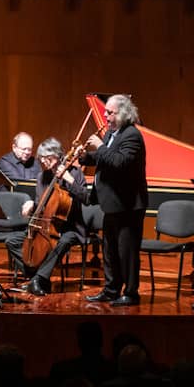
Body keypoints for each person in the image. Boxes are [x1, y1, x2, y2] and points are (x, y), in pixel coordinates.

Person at [80, 94, 148, 307]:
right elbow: (106, 157)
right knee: (109, 251)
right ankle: (111, 289)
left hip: (128, 205)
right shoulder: (112, 133)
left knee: (126, 252)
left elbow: (119, 162)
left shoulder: (132, 136)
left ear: (124, 114)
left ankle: (130, 293)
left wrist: (99, 147)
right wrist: (85, 157)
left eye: (110, 112)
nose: (105, 115)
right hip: (112, 205)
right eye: (106, 111)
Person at [5, 137, 90, 296]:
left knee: (62, 242)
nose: (43, 161)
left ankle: (38, 279)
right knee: (12, 241)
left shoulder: (74, 173)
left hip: (70, 227)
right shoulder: (42, 177)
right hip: (45, 226)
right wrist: (32, 205)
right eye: (41, 158)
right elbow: (41, 205)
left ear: (58, 155)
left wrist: (70, 181)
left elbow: (86, 198)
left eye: (47, 157)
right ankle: (37, 278)